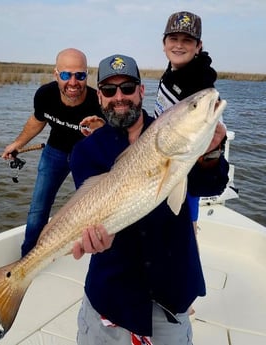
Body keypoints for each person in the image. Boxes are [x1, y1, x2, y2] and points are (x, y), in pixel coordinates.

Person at [70, 54, 229, 344]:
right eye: (109, 90)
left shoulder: (173, 134)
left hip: (171, 296)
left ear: (142, 91)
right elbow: (91, 214)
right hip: (111, 299)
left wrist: (210, 153)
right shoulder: (85, 152)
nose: (119, 97)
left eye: (128, 87)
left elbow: (212, 186)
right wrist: (97, 240)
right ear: (99, 98)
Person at [2, 48, 105, 257]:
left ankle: (94, 258)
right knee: (37, 211)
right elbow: (37, 121)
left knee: (92, 211)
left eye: (80, 75)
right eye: (66, 75)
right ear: (56, 74)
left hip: (85, 158)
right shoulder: (45, 95)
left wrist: (102, 129)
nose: (73, 82)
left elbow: (113, 142)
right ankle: (27, 259)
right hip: (54, 153)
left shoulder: (98, 102)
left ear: (87, 75)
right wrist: (17, 144)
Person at [154, 11, 227, 236]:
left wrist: (213, 150)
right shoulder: (173, 71)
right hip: (164, 161)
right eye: (174, 39)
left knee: (183, 235)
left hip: (184, 171)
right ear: (164, 43)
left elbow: (206, 140)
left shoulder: (200, 85)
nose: (179, 45)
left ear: (198, 46)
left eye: (187, 40)